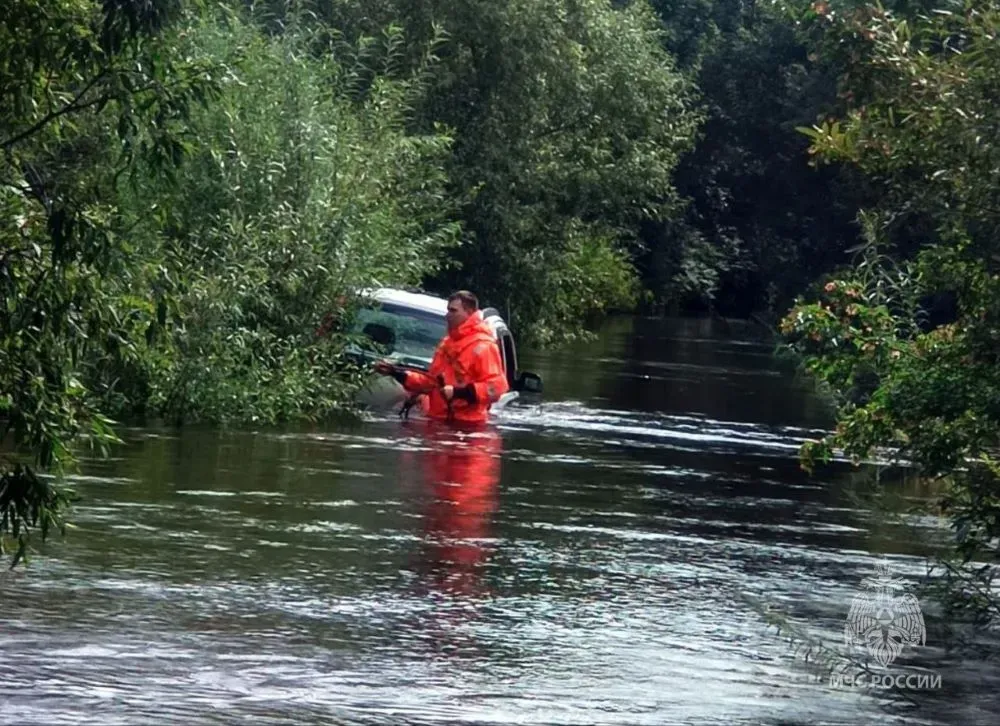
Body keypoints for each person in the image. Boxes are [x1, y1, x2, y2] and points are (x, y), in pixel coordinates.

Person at [373, 290, 509, 423]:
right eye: (448, 310)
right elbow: (431, 382)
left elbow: (497, 387)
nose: (447, 315)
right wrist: (396, 373)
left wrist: (458, 393)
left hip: (469, 427)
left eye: (453, 310)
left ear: (469, 312)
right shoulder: (447, 343)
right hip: (436, 420)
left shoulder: (484, 345)